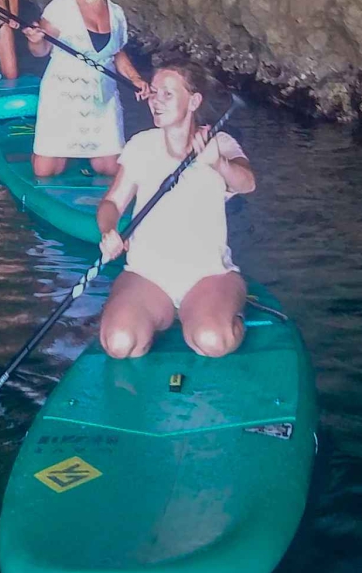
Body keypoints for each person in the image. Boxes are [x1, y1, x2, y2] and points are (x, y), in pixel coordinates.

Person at [95, 60, 255, 360]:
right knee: (119, 343)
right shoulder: (141, 145)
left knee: (212, 341)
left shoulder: (220, 143)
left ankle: (215, 312)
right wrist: (109, 231)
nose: (156, 101)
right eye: (154, 93)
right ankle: (157, 314)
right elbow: (112, 203)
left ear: (194, 101)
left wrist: (218, 163)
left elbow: (247, 183)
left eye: (167, 94)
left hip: (208, 274)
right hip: (147, 273)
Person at [21, 0, 150, 178]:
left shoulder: (117, 14)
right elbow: (41, 51)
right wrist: (35, 40)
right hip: (63, 95)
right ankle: (43, 151)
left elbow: (117, 53)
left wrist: (135, 78)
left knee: (111, 169)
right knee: (46, 171)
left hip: (102, 98)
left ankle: (88, 152)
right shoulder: (61, 6)